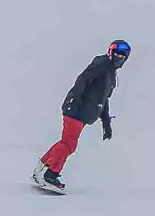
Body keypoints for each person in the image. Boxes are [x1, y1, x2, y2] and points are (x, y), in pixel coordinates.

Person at [35, 39, 128, 192]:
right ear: (111, 52)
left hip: (83, 113)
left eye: (123, 55)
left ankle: (42, 169)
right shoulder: (102, 64)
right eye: (117, 53)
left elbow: (104, 99)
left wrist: (106, 123)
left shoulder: (110, 73)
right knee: (69, 144)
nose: (120, 57)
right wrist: (75, 100)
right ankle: (50, 175)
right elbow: (83, 80)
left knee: (66, 142)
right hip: (77, 109)